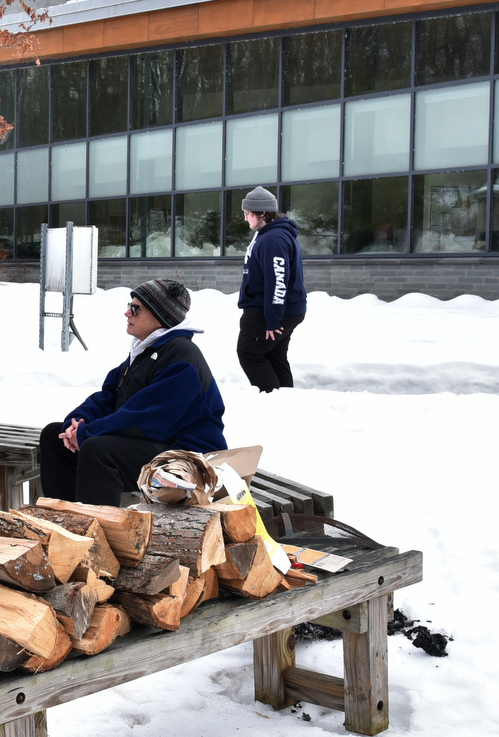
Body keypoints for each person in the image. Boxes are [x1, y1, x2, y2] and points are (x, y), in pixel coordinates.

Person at [38, 278, 226, 507]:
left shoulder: (181, 356)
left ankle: (99, 533)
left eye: (135, 309)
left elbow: (147, 418)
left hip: (189, 456)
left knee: (99, 451)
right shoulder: (147, 350)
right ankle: (65, 522)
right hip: (159, 443)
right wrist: (75, 424)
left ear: (160, 316)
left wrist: (87, 434)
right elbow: (109, 397)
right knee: (53, 436)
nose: (127, 313)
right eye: (129, 305)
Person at [234, 187, 307, 392]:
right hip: (279, 310)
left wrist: (273, 319)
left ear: (262, 214)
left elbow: (278, 281)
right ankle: (285, 400)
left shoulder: (273, 240)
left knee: (249, 353)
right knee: (274, 355)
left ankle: (272, 399)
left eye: (248, 214)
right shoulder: (269, 235)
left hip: (269, 311)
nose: (246, 218)